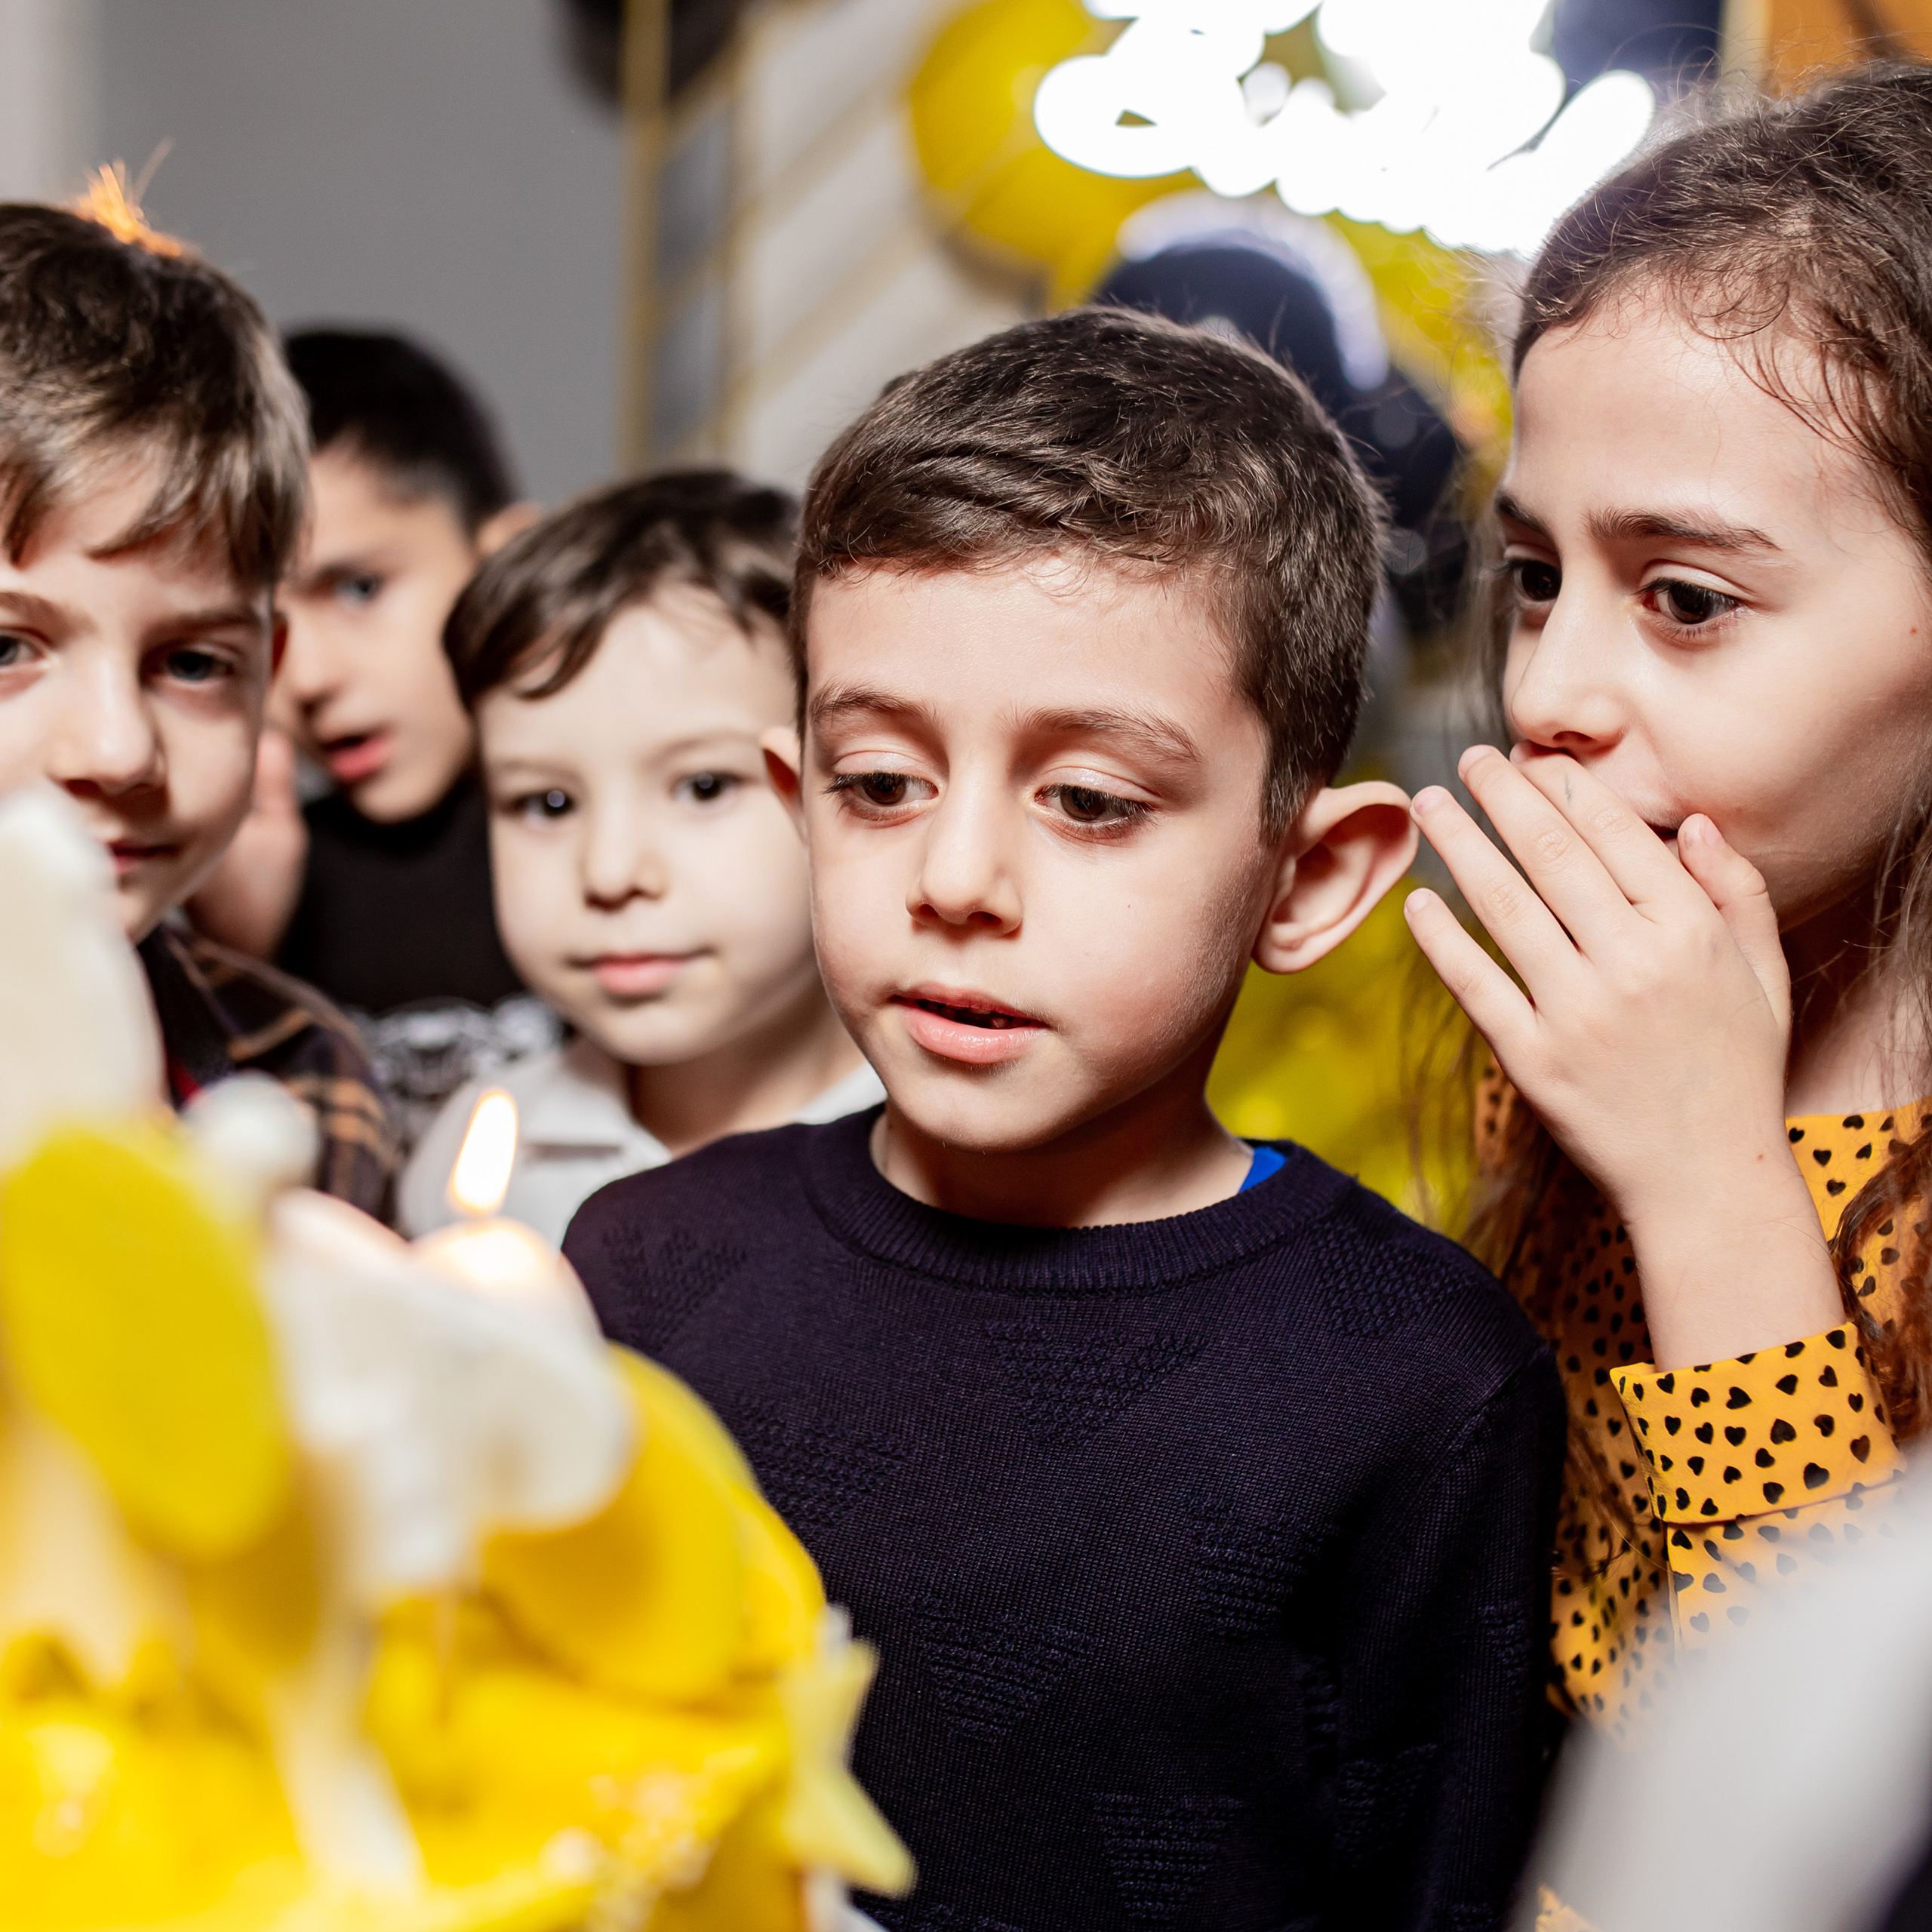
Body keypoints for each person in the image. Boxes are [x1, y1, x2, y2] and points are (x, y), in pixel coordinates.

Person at [566, 310, 1567, 1930]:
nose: (954, 880)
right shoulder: (641, 1268)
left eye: (1088, 800)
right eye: (879, 782)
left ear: (1306, 877)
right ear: (790, 799)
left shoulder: (1418, 1376)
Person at [1401, 63, 1932, 1749]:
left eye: (1685, 597)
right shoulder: (1587, 1014)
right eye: (1535, 574)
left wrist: (1706, 1180)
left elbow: (1843, 1787)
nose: (1547, 684)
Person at [0, 178, 387, 1214]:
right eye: (7, 647)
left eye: (192, 664)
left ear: (271, 667)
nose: (120, 752)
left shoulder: (303, 1076)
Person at [398, 469, 881, 1244]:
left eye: (700, 786)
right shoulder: (479, 1155)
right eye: (546, 803)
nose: (611, 873)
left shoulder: (945, 1149)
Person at [189, 328, 546, 1152]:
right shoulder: (243, 877)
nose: (306, 677)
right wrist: (232, 953)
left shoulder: (607, 838)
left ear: (504, 566)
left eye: (358, 588)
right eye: (266, 624)